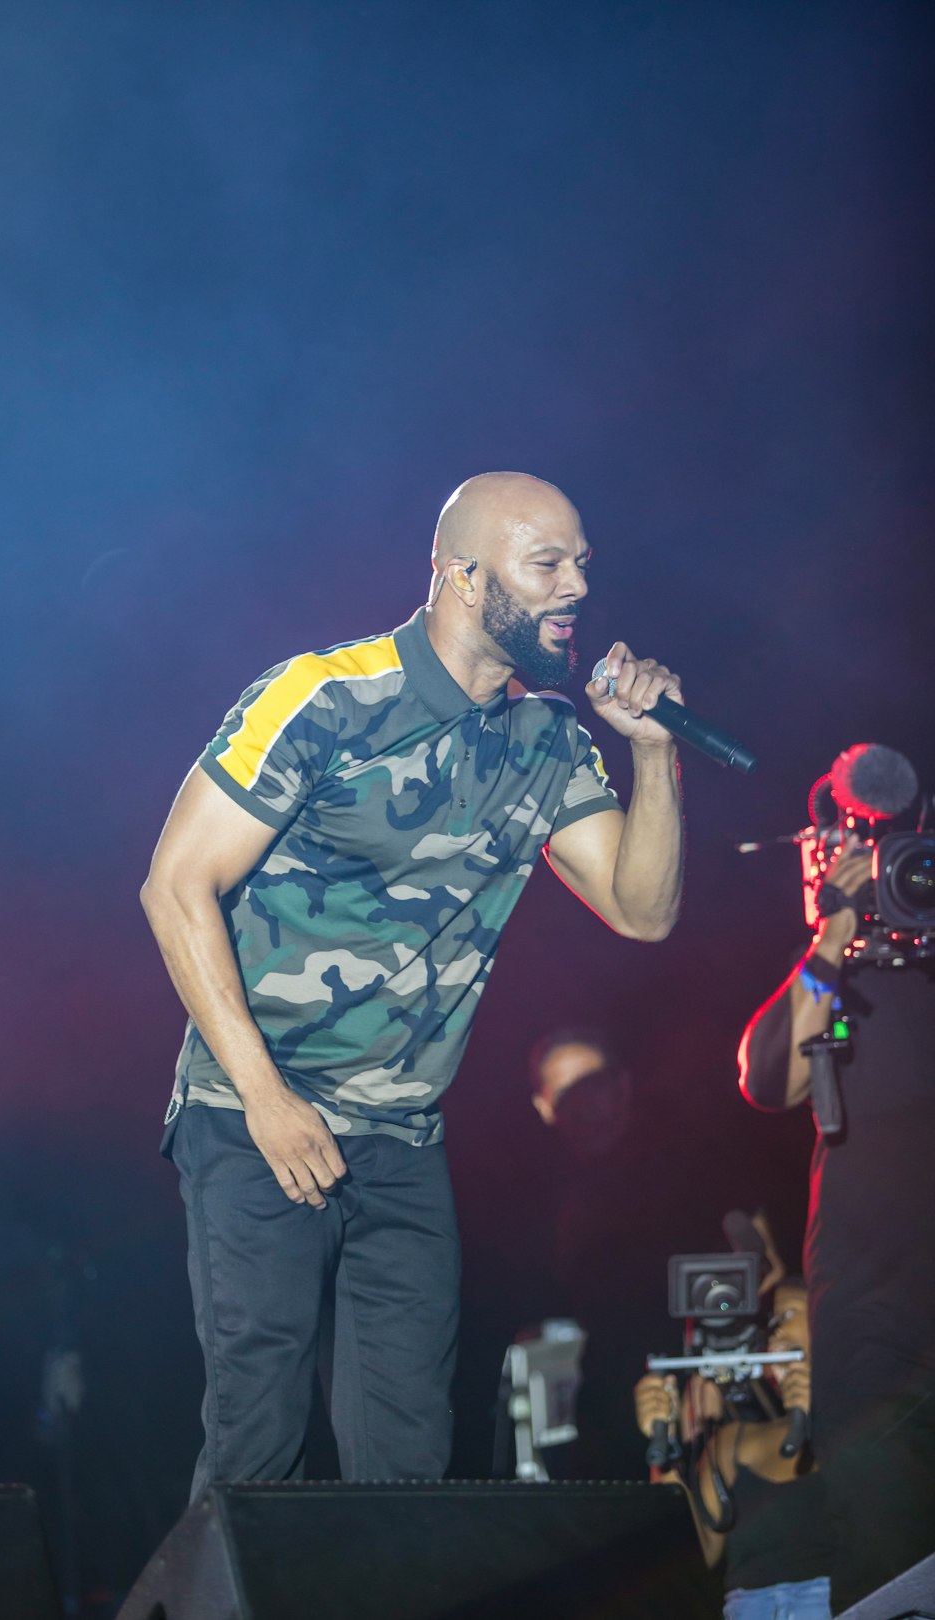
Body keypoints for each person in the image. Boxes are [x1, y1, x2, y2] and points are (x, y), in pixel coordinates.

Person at [141, 471, 685, 1491]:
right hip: (258, 1116)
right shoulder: (324, 698)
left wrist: (652, 754)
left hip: (402, 1140)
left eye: (582, 566)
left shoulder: (549, 740)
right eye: (547, 565)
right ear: (464, 578)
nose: (575, 589)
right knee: (260, 1446)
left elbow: (643, 912)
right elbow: (175, 886)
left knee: (408, 1465)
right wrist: (266, 1099)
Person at [738, 823, 935, 1611]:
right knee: (887, 1569)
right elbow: (768, 1076)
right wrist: (836, 935)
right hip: (875, 1329)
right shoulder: (834, 988)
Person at [635, 1284, 833, 1619]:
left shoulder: (867, 1418)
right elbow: (698, 1555)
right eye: (770, 1323)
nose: (777, 1330)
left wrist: (826, 1411)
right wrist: (663, 1448)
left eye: (788, 1315)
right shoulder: (732, 1442)